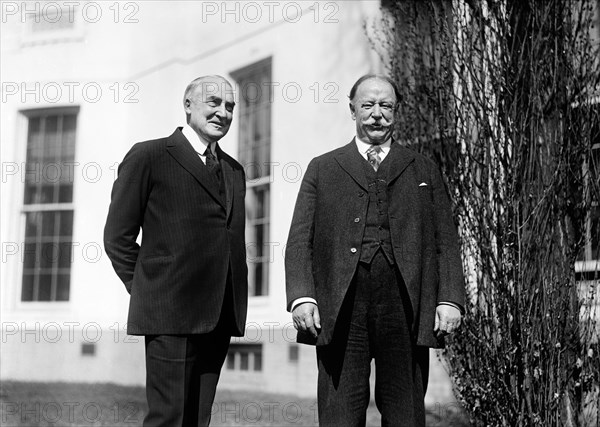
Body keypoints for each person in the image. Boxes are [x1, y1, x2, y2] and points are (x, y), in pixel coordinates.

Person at [285, 74, 465, 426]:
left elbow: (446, 241)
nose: (376, 114)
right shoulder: (323, 168)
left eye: (385, 106)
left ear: (397, 112)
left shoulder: (423, 168)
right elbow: (298, 241)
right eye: (367, 105)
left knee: (405, 413)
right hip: (341, 305)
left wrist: (450, 298)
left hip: (405, 304)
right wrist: (302, 296)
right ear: (352, 109)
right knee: (340, 413)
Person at [104, 75, 247, 427]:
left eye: (230, 106)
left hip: (219, 314)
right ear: (188, 105)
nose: (223, 112)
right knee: (168, 418)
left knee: (198, 419)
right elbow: (117, 237)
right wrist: (149, 288)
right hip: (168, 313)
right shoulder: (149, 155)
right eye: (213, 102)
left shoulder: (234, 171)